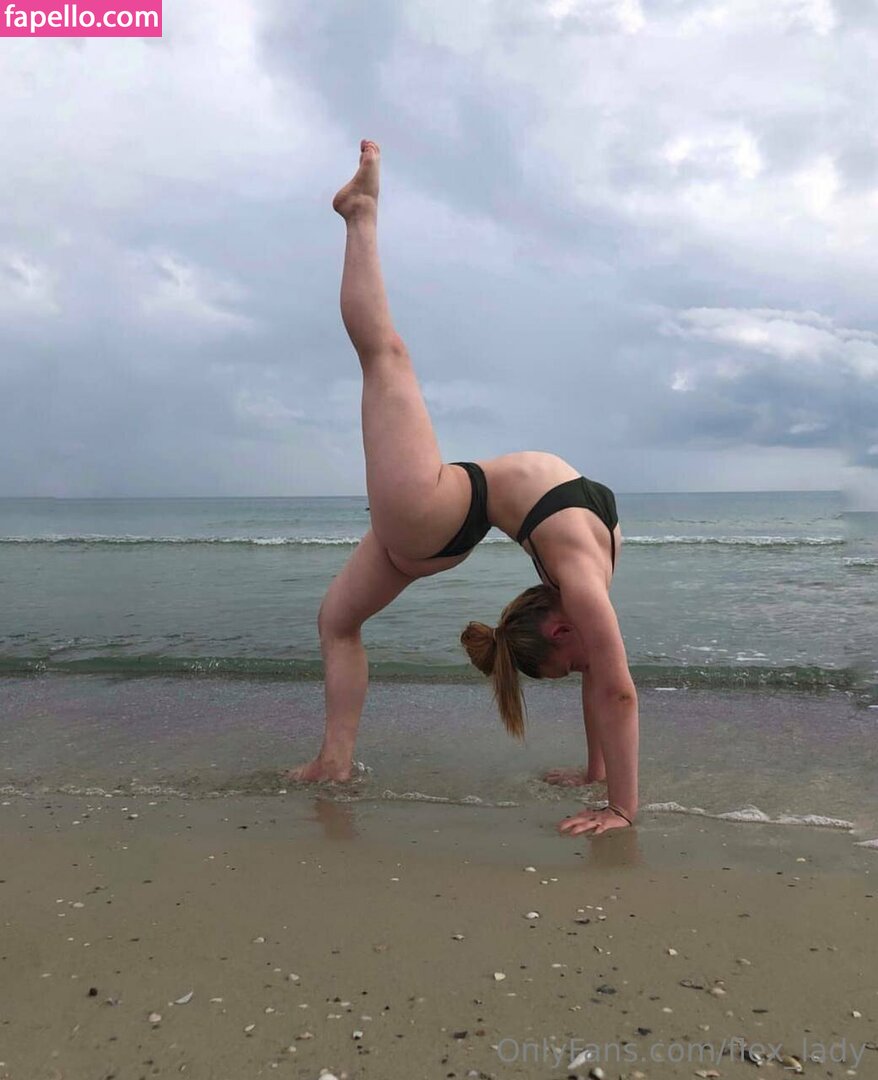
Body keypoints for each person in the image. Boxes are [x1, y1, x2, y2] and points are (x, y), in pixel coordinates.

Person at [286, 141, 639, 837]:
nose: (584, 671)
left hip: (439, 514)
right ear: (560, 629)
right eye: (570, 666)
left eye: (568, 668)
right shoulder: (583, 583)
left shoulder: (583, 583)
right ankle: (334, 764)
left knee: (385, 356)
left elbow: (607, 684)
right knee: (337, 622)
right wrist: (610, 792)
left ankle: (360, 215)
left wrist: (612, 795)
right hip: (442, 515)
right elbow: (615, 691)